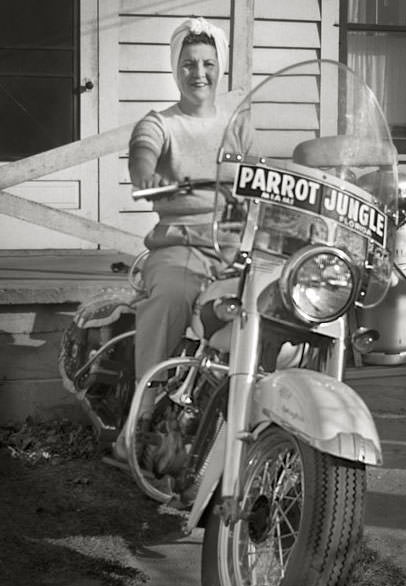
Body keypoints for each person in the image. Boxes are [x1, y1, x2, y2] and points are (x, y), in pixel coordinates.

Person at [112, 17, 254, 461]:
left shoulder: (239, 126)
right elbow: (142, 158)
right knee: (173, 295)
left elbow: (262, 181)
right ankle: (141, 414)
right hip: (180, 247)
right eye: (189, 63)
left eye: (208, 63)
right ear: (176, 69)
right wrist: (147, 176)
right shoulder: (159, 124)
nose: (199, 73)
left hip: (235, 249)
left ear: (220, 67)